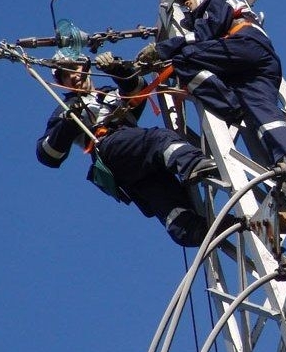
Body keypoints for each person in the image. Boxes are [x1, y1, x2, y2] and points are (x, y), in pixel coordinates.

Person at [35, 50, 226, 247]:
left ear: (85, 67)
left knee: (163, 194)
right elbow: (47, 154)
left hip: (134, 160)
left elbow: (137, 89)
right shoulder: (66, 108)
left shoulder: (109, 94)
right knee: (159, 139)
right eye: (64, 75)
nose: (72, 77)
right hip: (110, 148)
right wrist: (67, 124)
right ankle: (192, 163)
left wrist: (116, 69)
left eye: (73, 69)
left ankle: (193, 230)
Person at [135, 0, 286, 174]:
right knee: (262, 107)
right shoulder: (237, 7)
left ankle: (229, 105)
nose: (187, 3)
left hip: (243, 44)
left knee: (184, 59)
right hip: (262, 61)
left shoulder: (216, 1)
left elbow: (204, 36)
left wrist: (162, 49)